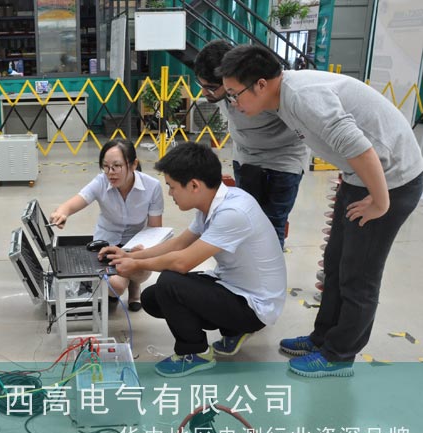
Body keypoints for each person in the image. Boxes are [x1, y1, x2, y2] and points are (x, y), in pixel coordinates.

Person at [217, 44, 423, 377]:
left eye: (233, 94)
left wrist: (380, 202)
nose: (233, 103)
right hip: (361, 178)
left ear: (260, 84)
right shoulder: (282, 97)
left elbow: (363, 150)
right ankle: (323, 337)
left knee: (359, 274)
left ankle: (339, 355)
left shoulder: (303, 98)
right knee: (335, 262)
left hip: (391, 180)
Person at [102, 142, 286, 377]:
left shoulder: (233, 212)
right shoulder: (211, 203)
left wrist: (136, 265)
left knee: (169, 282)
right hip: (234, 287)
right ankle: (233, 329)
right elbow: (179, 243)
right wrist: (129, 255)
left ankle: (195, 352)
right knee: (153, 298)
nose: (170, 194)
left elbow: (182, 262)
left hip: (255, 305)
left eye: (172, 187)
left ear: (194, 185)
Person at [193, 39, 310, 249]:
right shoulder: (223, 93)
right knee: (245, 221)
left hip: (283, 161)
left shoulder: (266, 91)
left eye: (210, 87)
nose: (204, 92)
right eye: (201, 85)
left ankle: (270, 270)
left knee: (272, 225)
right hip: (245, 158)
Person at [49, 139, 164, 311]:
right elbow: (74, 202)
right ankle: (123, 286)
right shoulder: (101, 182)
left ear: (133, 165)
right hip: (107, 244)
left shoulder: (152, 187)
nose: (110, 173)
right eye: (106, 166)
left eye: (117, 166)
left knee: (140, 272)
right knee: (116, 285)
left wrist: (142, 252)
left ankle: (134, 285)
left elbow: (155, 229)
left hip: (136, 246)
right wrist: (62, 212)